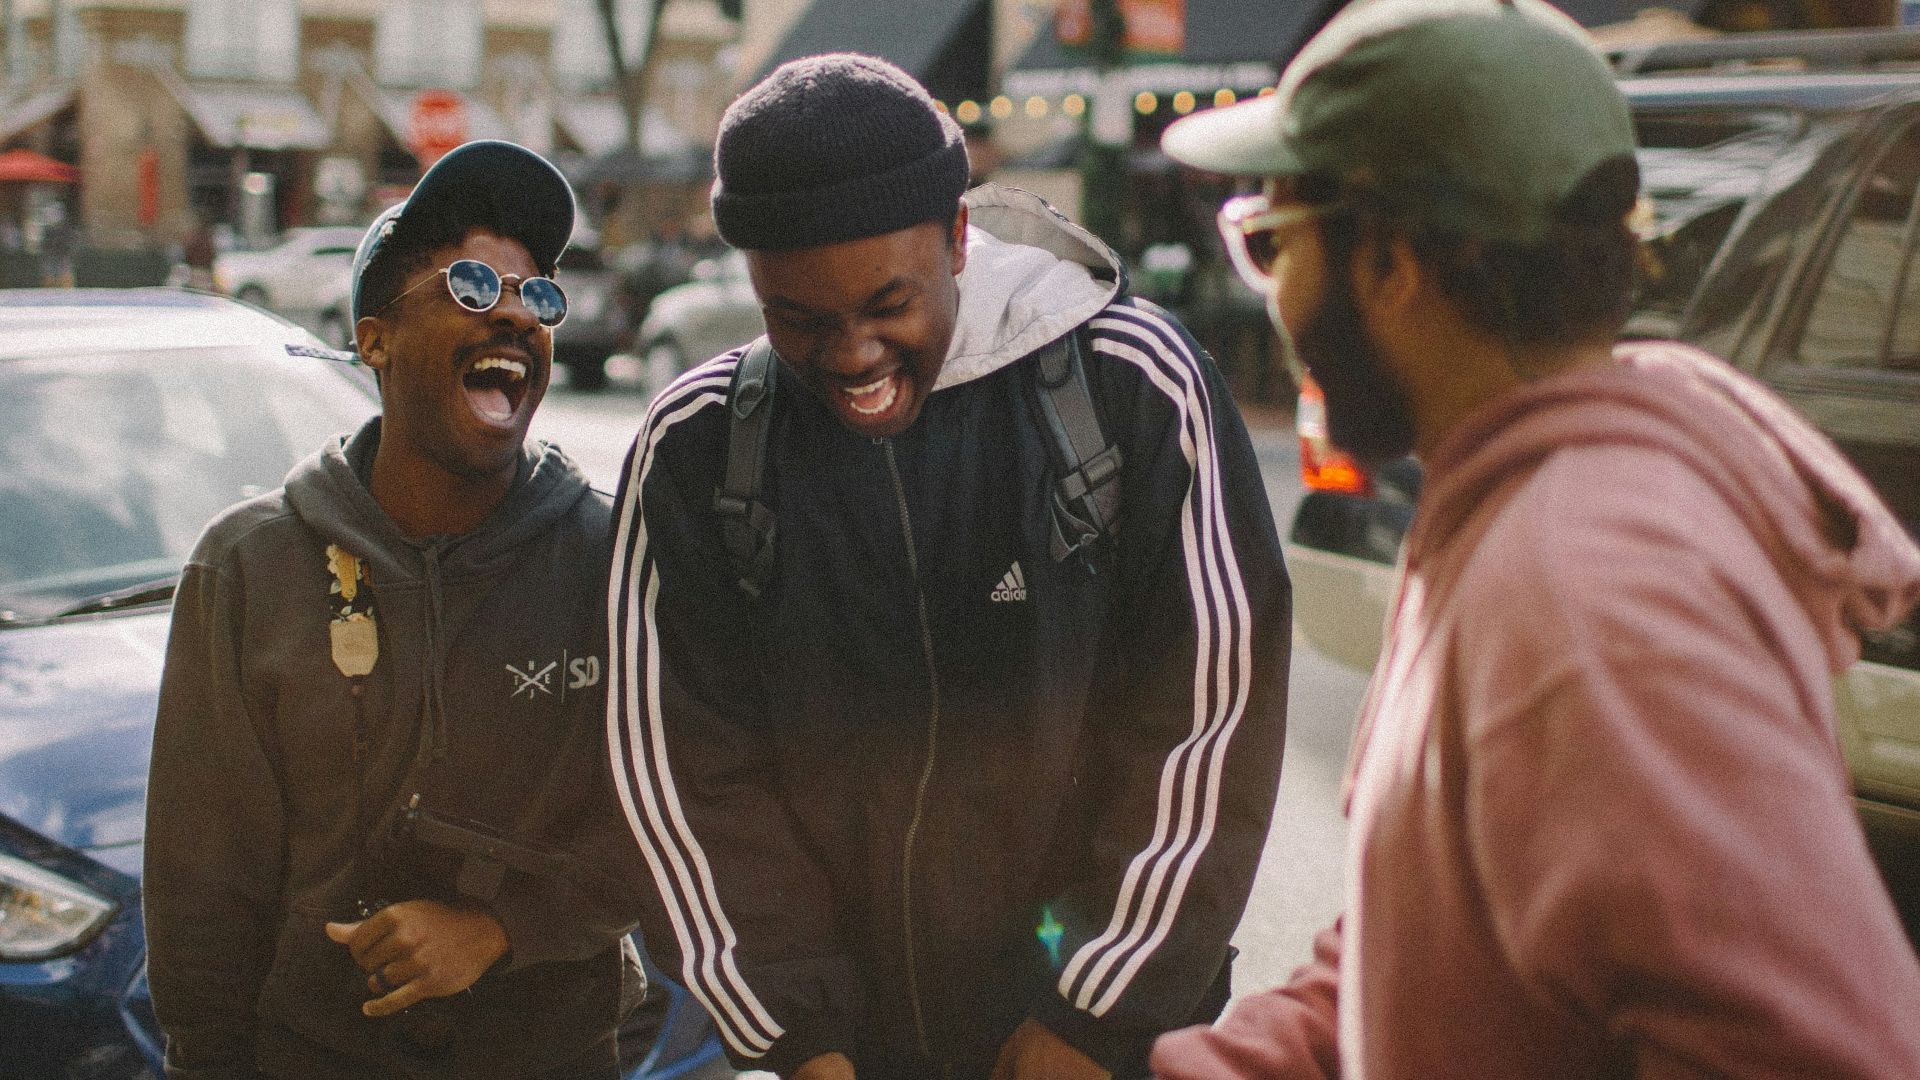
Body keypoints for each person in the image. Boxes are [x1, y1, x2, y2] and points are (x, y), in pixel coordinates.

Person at [1150, 2, 1920, 1078]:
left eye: (1273, 243)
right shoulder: (1523, 516)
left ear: (1392, 260)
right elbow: (1431, 943)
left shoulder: (1584, 596)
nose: (1274, 296)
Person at [607, 54, 1291, 1080]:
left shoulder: (1133, 386)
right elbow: (680, 773)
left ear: (960, 237)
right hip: (845, 1050)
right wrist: (798, 1033)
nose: (853, 354)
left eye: (889, 304)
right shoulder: (697, 446)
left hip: (1097, 1040)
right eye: (800, 318)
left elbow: (1210, 718)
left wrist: (1093, 1011)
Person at [145, 140, 644, 1080]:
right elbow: (202, 893)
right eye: (469, 286)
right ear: (374, 340)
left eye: (537, 296)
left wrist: (502, 926)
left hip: (552, 1056)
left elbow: (683, 819)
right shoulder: (249, 568)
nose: (514, 314)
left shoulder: (612, 554)